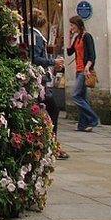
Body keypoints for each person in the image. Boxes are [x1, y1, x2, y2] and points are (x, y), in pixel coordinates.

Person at [30, 9, 69, 159]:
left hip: (39, 81)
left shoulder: (30, 33)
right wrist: (53, 62)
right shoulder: (37, 37)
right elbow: (36, 59)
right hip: (40, 82)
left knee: (44, 111)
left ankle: (48, 142)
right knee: (53, 110)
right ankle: (52, 144)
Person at [66, 15, 99, 132]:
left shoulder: (87, 36)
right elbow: (69, 52)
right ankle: (83, 125)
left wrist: (87, 67)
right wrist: (70, 37)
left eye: (72, 25)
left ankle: (93, 119)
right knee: (82, 97)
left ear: (78, 25)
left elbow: (92, 54)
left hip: (84, 71)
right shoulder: (77, 37)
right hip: (78, 70)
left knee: (75, 96)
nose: (71, 27)